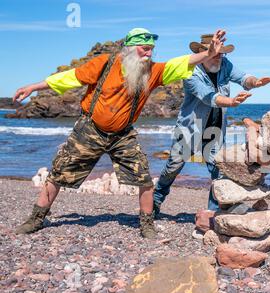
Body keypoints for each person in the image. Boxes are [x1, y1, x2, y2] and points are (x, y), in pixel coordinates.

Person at [13, 28, 227, 238]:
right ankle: (36, 218)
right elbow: (69, 78)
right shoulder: (104, 63)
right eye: (144, 49)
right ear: (130, 48)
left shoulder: (153, 71)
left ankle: (146, 224)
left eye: (152, 49)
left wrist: (209, 53)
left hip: (123, 135)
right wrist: (34, 87)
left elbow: (183, 62)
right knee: (59, 174)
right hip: (90, 130)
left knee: (143, 177)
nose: (149, 53)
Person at [153, 34, 270, 215]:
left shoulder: (225, 65)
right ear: (205, 53)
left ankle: (213, 212)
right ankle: (155, 201)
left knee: (218, 170)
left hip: (215, 127)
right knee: (174, 166)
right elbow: (208, 97)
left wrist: (255, 82)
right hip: (190, 127)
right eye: (217, 53)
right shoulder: (191, 72)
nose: (220, 57)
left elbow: (243, 78)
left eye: (222, 54)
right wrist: (232, 102)